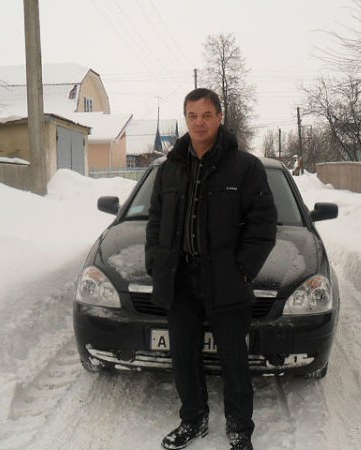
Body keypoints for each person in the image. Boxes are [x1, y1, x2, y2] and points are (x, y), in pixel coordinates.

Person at [145, 88, 277, 450]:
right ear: (185, 119)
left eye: (206, 115)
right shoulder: (170, 168)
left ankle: (239, 429)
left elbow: (263, 224)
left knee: (234, 359)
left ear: (220, 117)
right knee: (184, 358)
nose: (199, 123)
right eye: (192, 116)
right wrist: (155, 260)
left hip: (225, 279)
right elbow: (155, 220)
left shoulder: (245, 167)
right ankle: (193, 419)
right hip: (180, 278)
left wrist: (243, 270)